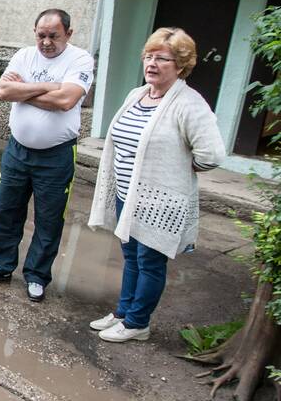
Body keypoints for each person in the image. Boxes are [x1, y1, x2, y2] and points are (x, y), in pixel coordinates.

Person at [87, 27, 226, 342]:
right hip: (127, 194)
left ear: (180, 64)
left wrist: (181, 166)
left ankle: (138, 324)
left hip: (160, 201)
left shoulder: (189, 103)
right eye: (148, 56)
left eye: (161, 58)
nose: (151, 63)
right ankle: (123, 313)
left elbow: (212, 154)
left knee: (149, 262)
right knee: (131, 257)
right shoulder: (136, 95)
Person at [0, 9, 95, 302]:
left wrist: (24, 90)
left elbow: (66, 100)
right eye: (41, 35)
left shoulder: (80, 59)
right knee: (6, 210)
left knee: (49, 218)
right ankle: (0, 266)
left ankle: (37, 276)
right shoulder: (24, 56)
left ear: (68, 33)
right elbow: (3, 92)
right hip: (17, 151)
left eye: (53, 36)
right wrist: (48, 87)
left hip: (56, 156)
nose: (46, 42)